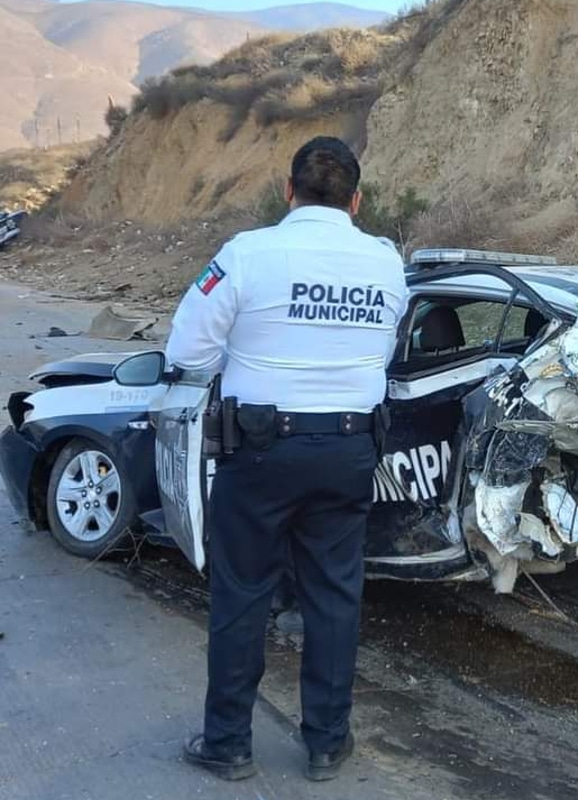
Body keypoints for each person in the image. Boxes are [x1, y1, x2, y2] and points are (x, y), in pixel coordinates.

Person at [164, 136, 408, 782]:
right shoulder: (386, 263)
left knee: (243, 594)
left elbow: (187, 350)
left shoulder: (248, 255)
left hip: (262, 452)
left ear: (287, 190)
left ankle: (228, 743)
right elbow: (384, 350)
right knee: (334, 597)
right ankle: (328, 741)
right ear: (356, 201)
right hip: (351, 449)